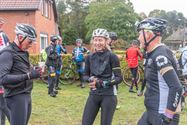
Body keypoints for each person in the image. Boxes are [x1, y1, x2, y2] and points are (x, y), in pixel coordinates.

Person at [136, 17, 183, 125]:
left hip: (162, 114)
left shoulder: (160, 56)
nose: (138, 38)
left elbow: (176, 87)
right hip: (152, 111)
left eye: (140, 34)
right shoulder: (156, 53)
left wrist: (168, 116)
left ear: (148, 34)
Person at [0, 23, 42, 125]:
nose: (31, 44)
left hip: (26, 94)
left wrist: (33, 70)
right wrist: (28, 76)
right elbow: (3, 78)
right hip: (16, 96)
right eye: (30, 41)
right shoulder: (7, 53)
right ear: (20, 37)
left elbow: (22, 69)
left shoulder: (23, 52)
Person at [82, 28, 122, 125]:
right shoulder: (89, 57)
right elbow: (84, 76)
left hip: (109, 95)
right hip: (94, 94)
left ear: (106, 41)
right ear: (93, 41)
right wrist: (91, 79)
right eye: (95, 40)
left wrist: (104, 83)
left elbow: (119, 78)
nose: (97, 43)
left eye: (100, 40)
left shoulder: (112, 57)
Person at [0, 17, 10, 125]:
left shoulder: (2, 36)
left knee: (2, 104)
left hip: (1, 73)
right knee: (1, 104)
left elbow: (5, 53)